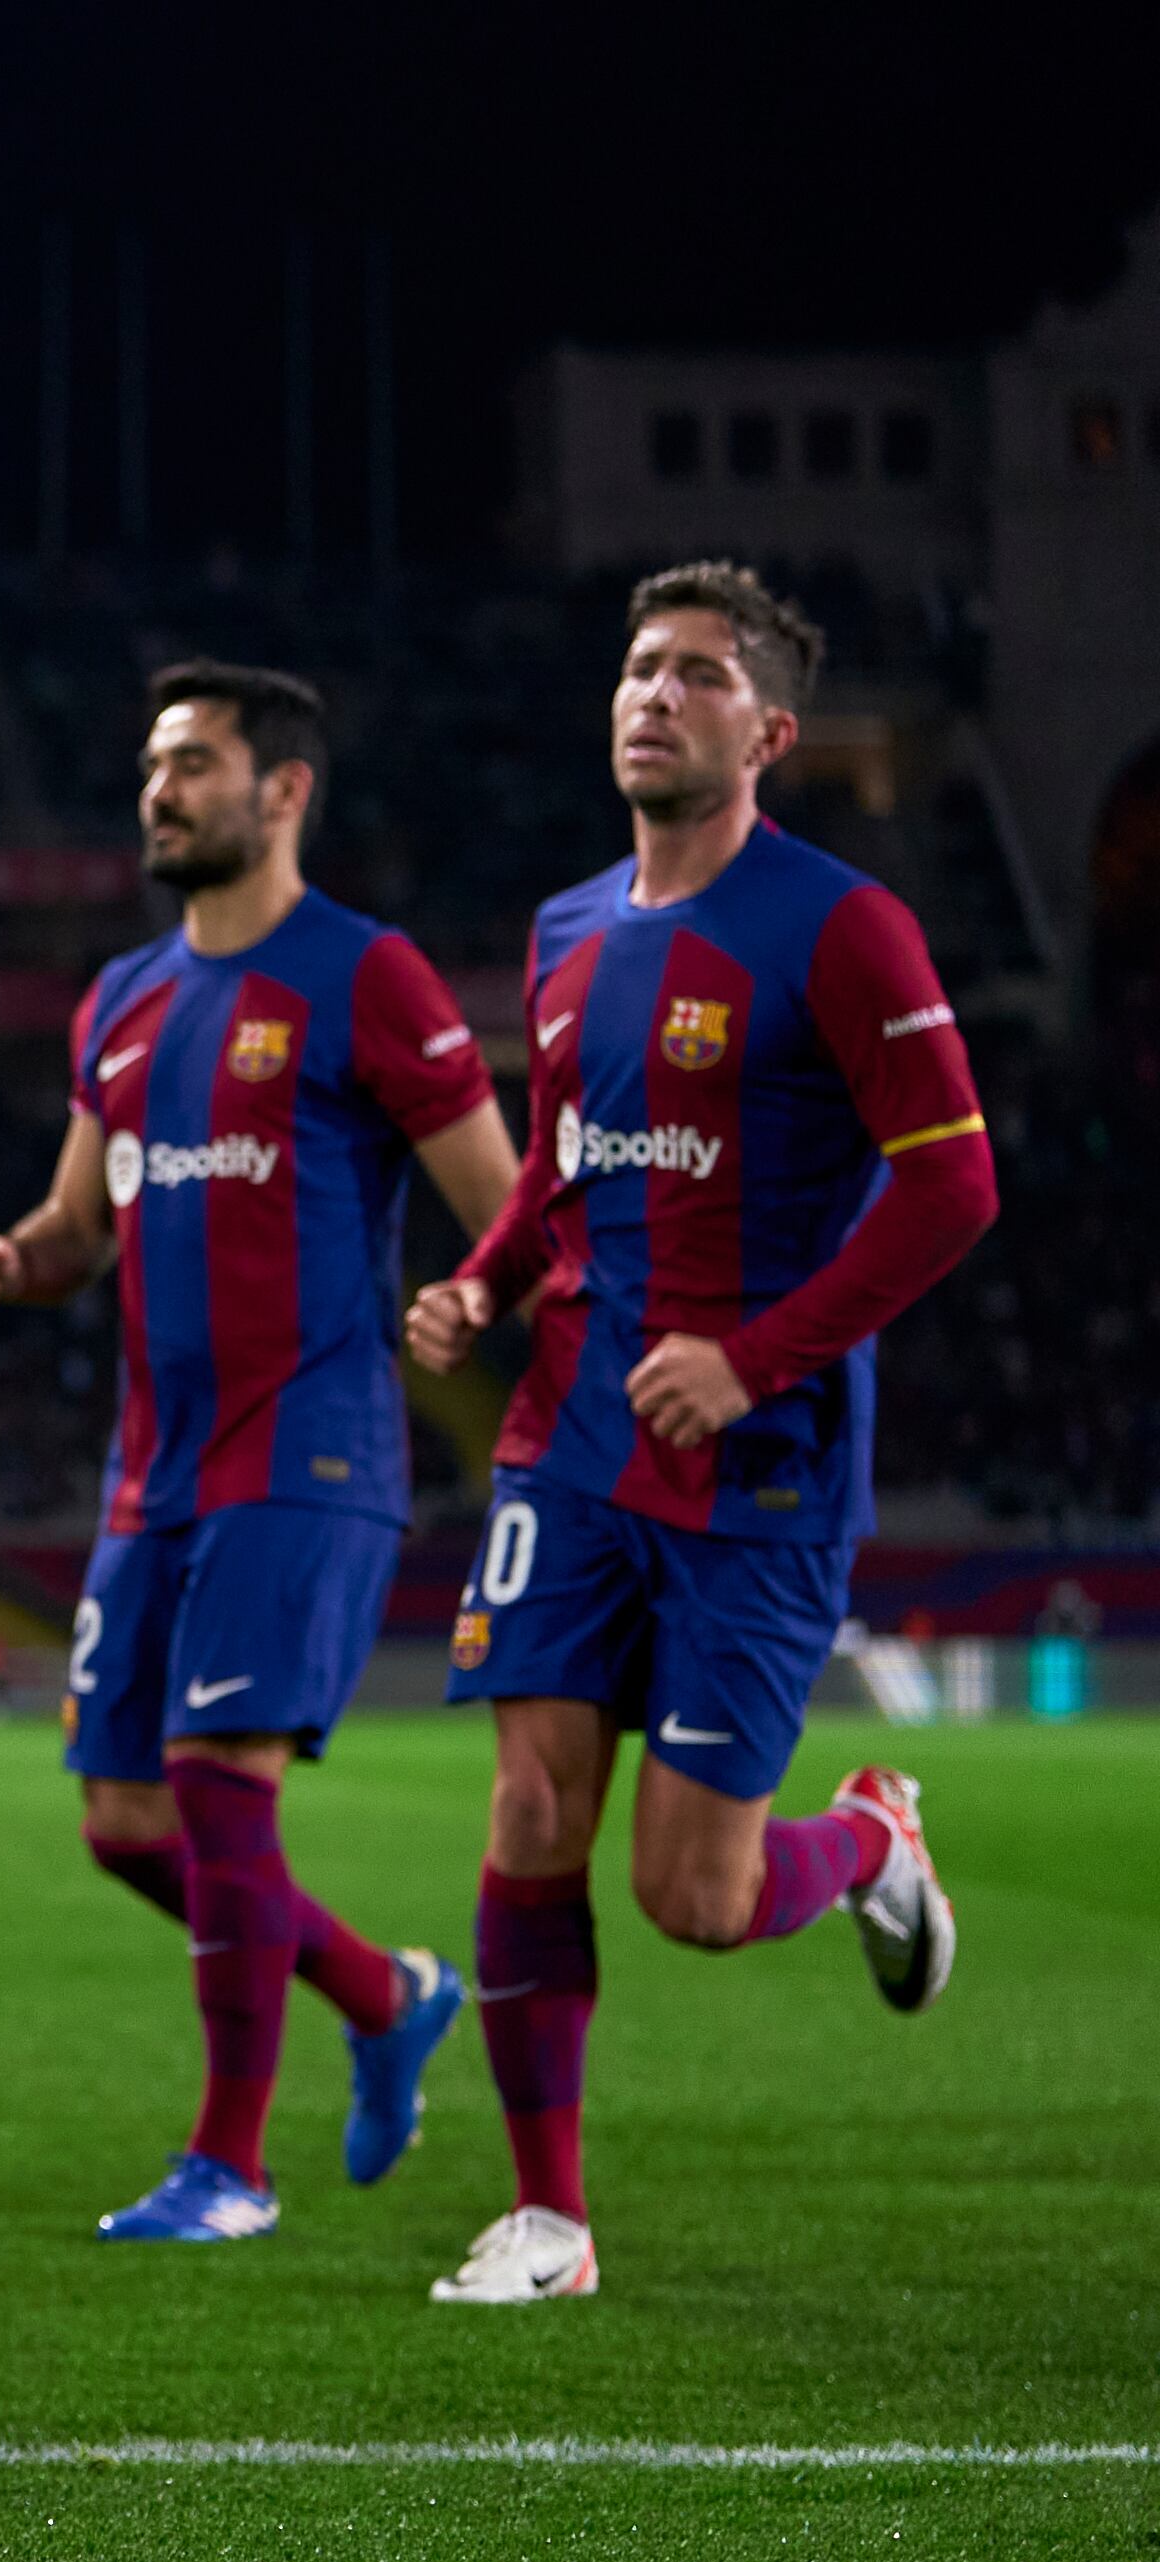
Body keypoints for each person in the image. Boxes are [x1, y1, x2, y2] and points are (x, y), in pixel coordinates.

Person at [405, 564, 996, 2305]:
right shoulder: (568, 929)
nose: (654, 694)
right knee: (528, 1813)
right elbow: (565, 1165)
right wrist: (488, 1279)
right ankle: (550, 2219)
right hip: (569, 1433)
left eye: (700, 675)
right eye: (640, 668)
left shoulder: (843, 926)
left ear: (772, 733)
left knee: (696, 1894)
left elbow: (953, 1185)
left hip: (763, 1461)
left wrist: (752, 1358)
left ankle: (873, 1845)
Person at [0, 660, 521, 2244]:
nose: (159, 788)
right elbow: (75, 1226)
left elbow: (511, 1204)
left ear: (285, 791)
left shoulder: (369, 977)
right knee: (121, 1824)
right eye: (151, 763)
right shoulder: (121, 1000)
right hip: (155, 1470)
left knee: (213, 1791)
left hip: (310, 1453)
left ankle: (231, 2164)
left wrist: (474, 1292)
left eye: (193, 761)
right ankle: (383, 1991)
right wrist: (7, 1252)